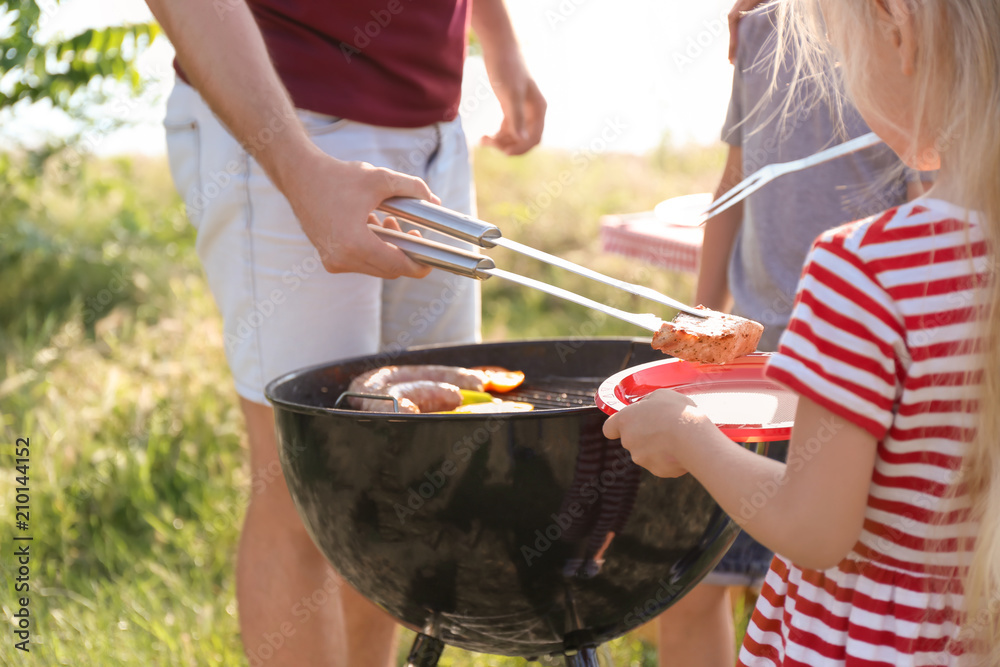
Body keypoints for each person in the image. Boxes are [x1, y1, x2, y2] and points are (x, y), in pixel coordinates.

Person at [143, 0, 545, 664]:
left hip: (434, 123)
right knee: (302, 491)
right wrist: (300, 171)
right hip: (286, 123)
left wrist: (496, 36)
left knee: (403, 472)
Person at [611, 0, 999, 663]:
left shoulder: (864, 270)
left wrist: (684, 430)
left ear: (897, 29)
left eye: (840, 56)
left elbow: (814, 529)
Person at [655, 4, 928, 665]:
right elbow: (734, 180)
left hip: (851, 381)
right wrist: (702, 319)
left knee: (811, 579)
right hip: (748, 370)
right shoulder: (756, 25)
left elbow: (928, 185)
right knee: (693, 586)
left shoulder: (900, 25)